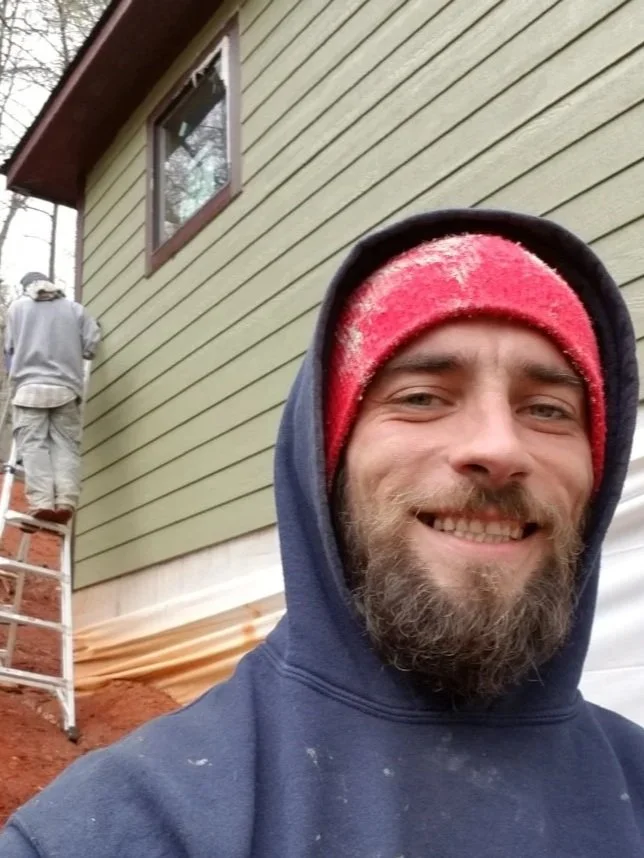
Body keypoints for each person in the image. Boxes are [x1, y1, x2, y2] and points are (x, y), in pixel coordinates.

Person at [0, 210, 641, 856]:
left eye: (548, 409)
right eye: (421, 397)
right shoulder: (122, 829)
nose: (499, 446)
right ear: (323, 466)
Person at [3, 272, 100, 524]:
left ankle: (42, 502)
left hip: (28, 390)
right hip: (66, 390)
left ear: (26, 288)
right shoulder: (76, 310)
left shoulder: (17, 309)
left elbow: (10, 351)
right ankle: (66, 500)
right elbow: (91, 347)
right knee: (65, 445)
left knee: (34, 445)